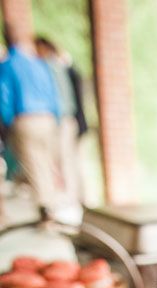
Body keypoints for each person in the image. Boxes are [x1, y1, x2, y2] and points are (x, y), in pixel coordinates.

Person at [0, 21, 60, 219]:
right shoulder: (37, 63)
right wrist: (56, 118)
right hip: (48, 118)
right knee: (45, 164)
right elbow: (53, 93)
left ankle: (46, 210)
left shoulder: (8, 65)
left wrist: (7, 122)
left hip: (26, 119)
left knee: (35, 166)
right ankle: (50, 202)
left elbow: (5, 96)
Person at [35, 36, 87, 207]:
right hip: (65, 119)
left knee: (66, 161)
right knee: (67, 161)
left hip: (63, 119)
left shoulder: (53, 68)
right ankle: (74, 199)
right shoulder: (56, 67)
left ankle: (73, 201)